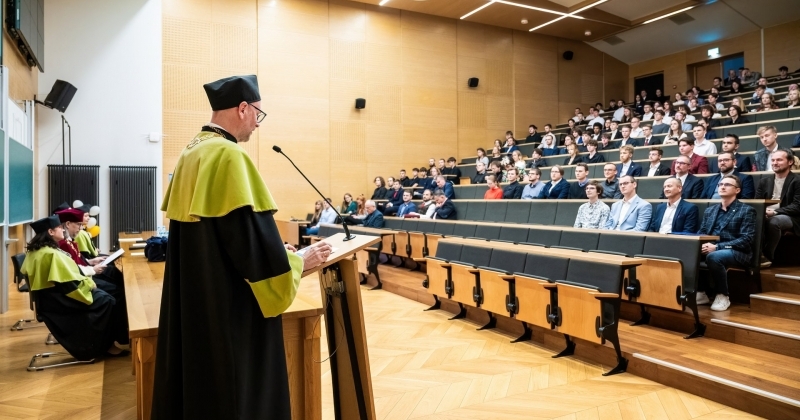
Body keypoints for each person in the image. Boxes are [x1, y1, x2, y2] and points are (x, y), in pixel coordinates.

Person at [153, 75, 333, 420]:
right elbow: (253, 249)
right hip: (230, 310)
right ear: (243, 108)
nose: (256, 125)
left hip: (198, 300)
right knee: (235, 392)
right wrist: (298, 262)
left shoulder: (192, 151)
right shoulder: (228, 156)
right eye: (257, 116)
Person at [21, 215, 130, 361]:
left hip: (48, 298)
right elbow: (69, 284)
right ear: (51, 232)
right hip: (59, 300)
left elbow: (67, 275)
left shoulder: (38, 251)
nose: (62, 229)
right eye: (59, 227)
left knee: (106, 295)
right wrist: (90, 285)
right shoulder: (51, 254)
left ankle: (111, 342)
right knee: (107, 300)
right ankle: (103, 346)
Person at [697, 175, 756, 311]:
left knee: (714, 256)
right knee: (690, 252)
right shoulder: (710, 210)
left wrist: (717, 247)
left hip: (738, 251)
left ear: (737, 190)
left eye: (727, 185)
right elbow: (702, 233)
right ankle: (701, 292)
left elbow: (746, 240)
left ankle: (722, 294)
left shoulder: (747, 210)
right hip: (712, 247)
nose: (722, 187)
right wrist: (702, 245)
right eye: (720, 184)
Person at [756, 149, 800, 267]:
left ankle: (767, 257)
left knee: (774, 221)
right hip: (766, 213)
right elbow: (757, 202)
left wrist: (775, 212)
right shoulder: (764, 181)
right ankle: (753, 254)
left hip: (791, 217)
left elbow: (797, 206)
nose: (775, 163)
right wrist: (762, 211)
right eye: (773, 160)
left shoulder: (797, 181)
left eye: (779, 160)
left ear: (790, 162)